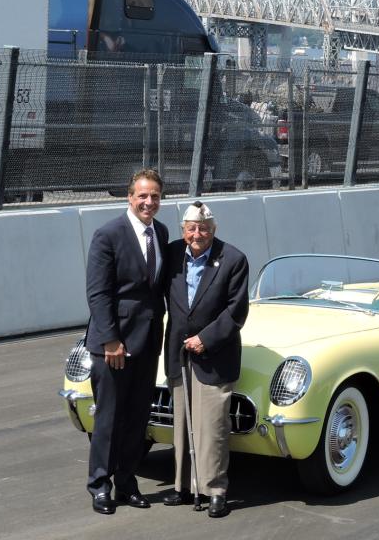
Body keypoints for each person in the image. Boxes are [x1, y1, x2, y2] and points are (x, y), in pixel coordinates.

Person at [83, 169, 168, 515]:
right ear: (129, 197)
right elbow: (98, 294)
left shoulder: (160, 233)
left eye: (155, 197)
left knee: (137, 417)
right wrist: (110, 341)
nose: (149, 202)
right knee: (109, 418)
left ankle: (126, 481)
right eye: (143, 196)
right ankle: (100, 485)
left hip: (148, 341)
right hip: (114, 345)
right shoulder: (108, 235)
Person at [162, 202, 250, 519]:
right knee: (182, 423)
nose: (196, 234)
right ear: (183, 229)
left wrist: (205, 339)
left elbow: (236, 311)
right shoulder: (171, 254)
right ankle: (183, 487)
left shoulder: (233, 259)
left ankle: (214, 490)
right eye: (191, 228)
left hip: (215, 354)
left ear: (213, 230)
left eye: (203, 229)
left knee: (211, 427)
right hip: (178, 351)